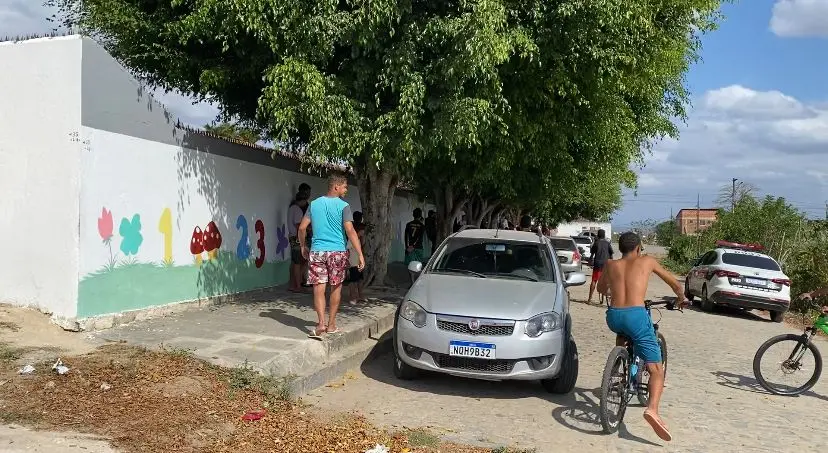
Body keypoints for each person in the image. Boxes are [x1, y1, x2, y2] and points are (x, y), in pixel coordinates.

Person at [596, 232, 687, 442]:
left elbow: (601, 288)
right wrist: (681, 298)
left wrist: (613, 289)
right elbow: (674, 283)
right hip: (636, 316)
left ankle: (619, 369)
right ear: (638, 248)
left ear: (621, 248)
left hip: (614, 316)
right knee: (656, 370)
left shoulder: (611, 264)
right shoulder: (647, 261)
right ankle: (652, 410)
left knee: (623, 334)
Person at [298, 173, 365, 339]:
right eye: (344, 186)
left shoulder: (313, 204)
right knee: (336, 287)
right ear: (336, 186)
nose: (346, 190)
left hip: (317, 251)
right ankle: (331, 324)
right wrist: (360, 254)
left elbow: (302, 228)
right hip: (337, 252)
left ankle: (320, 323)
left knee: (318, 288)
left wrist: (303, 246)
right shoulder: (343, 206)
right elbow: (350, 231)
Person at [287, 191, 310, 292]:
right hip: (297, 238)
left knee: (295, 262)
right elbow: (299, 226)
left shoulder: (292, 208)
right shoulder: (297, 210)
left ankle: (293, 284)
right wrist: (303, 241)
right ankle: (298, 286)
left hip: (292, 237)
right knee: (298, 262)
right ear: (303, 200)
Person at [345, 211, 367, 305]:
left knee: (360, 279)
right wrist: (347, 261)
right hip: (353, 261)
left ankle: (360, 296)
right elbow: (348, 249)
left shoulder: (359, 238)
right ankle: (353, 297)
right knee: (352, 280)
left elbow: (362, 246)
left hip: (359, 260)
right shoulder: (351, 237)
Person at [588, 229, 614, 304]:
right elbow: (611, 254)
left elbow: (592, 255)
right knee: (607, 282)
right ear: (604, 235)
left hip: (597, 264)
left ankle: (589, 299)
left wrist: (590, 261)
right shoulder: (607, 243)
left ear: (598, 235)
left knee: (594, 280)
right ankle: (607, 299)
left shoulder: (596, 243)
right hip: (606, 265)